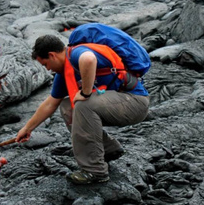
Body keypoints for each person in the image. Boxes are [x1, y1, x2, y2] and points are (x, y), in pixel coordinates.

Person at [16, 34, 150, 184]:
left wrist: (85, 92)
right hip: (116, 105)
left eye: (45, 64)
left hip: (134, 102)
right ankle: (109, 149)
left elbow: (89, 59)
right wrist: (27, 128)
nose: (48, 69)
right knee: (68, 107)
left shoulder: (76, 54)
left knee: (83, 104)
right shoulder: (64, 74)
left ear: (52, 55)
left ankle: (94, 171)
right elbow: (50, 104)